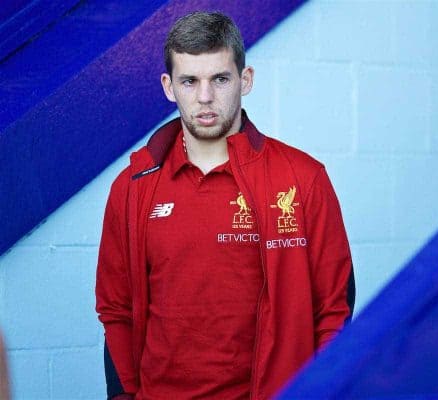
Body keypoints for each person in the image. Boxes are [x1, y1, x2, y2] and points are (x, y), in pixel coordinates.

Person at [96, 11, 354, 400]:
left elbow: (335, 307)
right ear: (169, 87)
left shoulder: (302, 179)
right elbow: (116, 312)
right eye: (189, 81)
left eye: (220, 79)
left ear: (244, 80)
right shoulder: (132, 188)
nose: (205, 97)